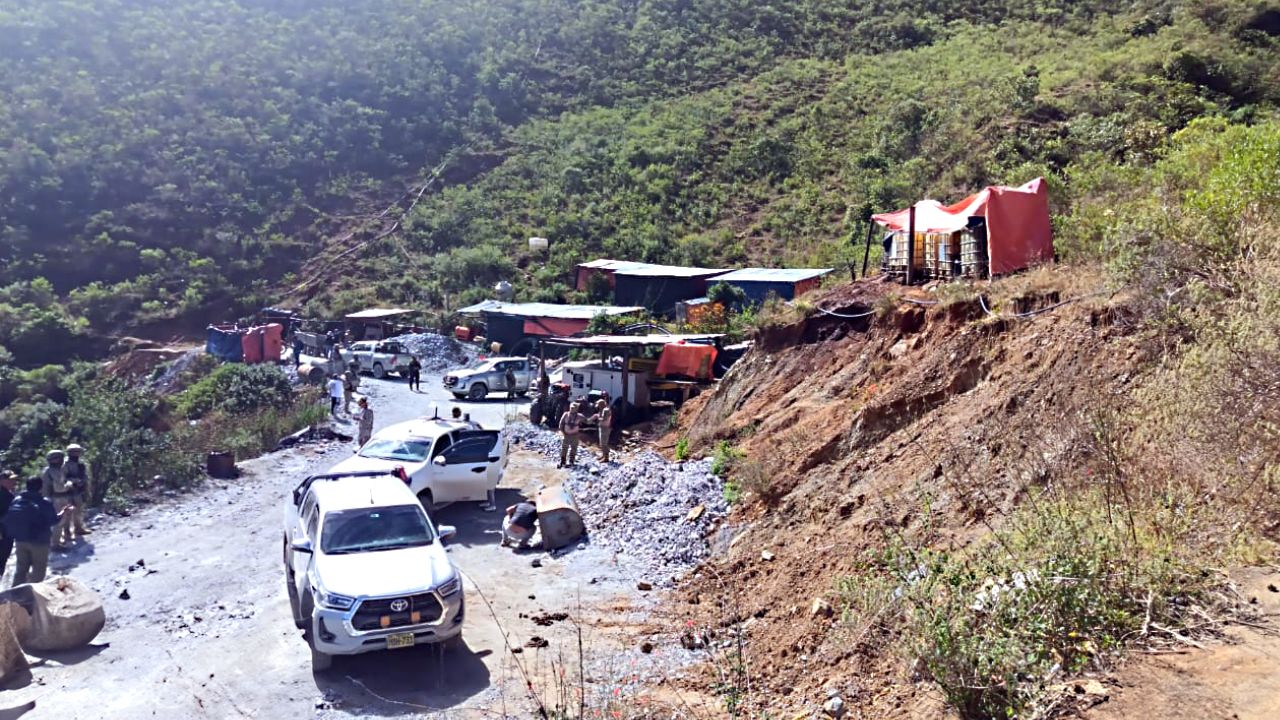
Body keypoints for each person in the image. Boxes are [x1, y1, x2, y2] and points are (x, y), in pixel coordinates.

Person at [4, 477, 70, 585]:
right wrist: (63, 512)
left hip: (20, 540)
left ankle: (15, 593)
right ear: (41, 487)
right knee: (38, 571)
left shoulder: (17, 500)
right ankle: (33, 593)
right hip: (39, 542)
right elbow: (54, 521)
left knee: (21, 570)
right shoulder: (44, 502)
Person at [41, 450, 75, 550]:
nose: (58, 460)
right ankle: (55, 543)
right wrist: (70, 484)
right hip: (56, 498)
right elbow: (53, 487)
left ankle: (67, 535)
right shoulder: (50, 471)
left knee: (67, 517)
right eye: (55, 458)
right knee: (59, 521)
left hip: (64, 497)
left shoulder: (61, 469)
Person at [63, 443, 92, 537]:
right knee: (67, 511)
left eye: (78, 451)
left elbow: (84, 475)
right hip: (68, 490)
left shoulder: (80, 463)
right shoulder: (65, 464)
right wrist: (74, 481)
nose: (77, 453)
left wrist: (83, 482)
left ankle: (79, 528)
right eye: (75, 452)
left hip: (78, 490)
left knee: (78, 510)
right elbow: (63, 478)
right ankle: (66, 532)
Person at [0, 471, 17, 579]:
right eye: (10, 480)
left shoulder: (8, 494)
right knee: (2, 558)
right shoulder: (5, 495)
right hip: (3, 532)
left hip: (6, 531)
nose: (13, 482)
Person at [557, 402, 583, 468]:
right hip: (566, 435)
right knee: (564, 448)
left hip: (575, 435)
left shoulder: (580, 416)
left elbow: (587, 422)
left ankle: (571, 461)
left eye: (573, 408)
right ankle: (563, 461)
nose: (572, 409)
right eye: (571, 408)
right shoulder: (566, 414)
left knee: (574, 448)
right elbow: (561, 424)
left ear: (576, 409)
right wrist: (563, 432)